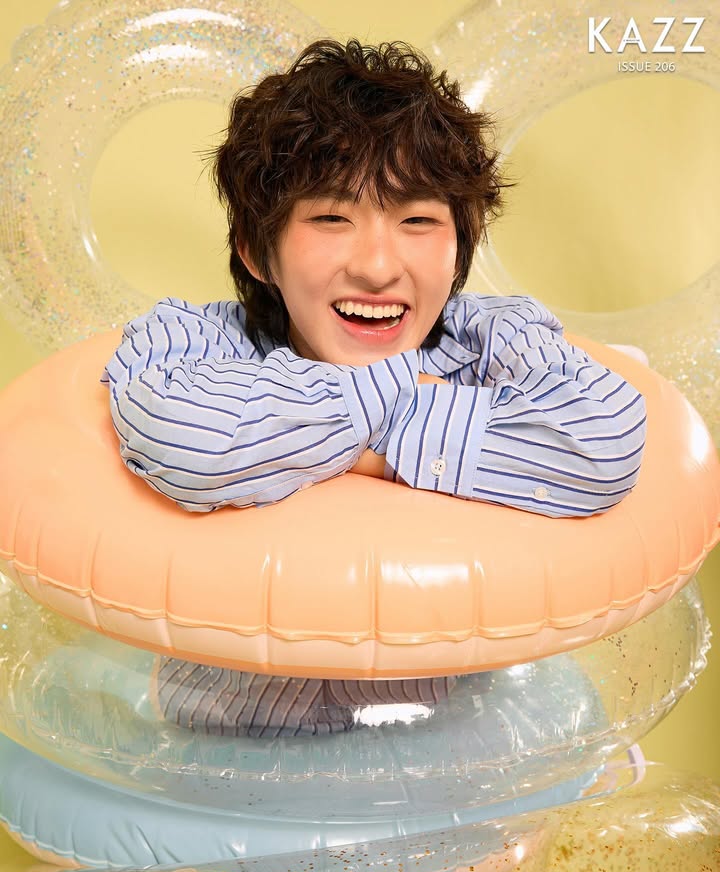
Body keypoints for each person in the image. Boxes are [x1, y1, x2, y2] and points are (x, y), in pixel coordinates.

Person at [102, 40, 647, 737]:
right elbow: (195, 443)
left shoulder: (494, 336)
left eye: (418, 221)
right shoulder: (189, 341)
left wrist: (336, 440)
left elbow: (602, 442)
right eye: (332, 218)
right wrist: (406, 404)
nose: (378, 267)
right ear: (255, 249)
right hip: (224, 755)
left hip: (451, 748)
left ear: (459, 247)